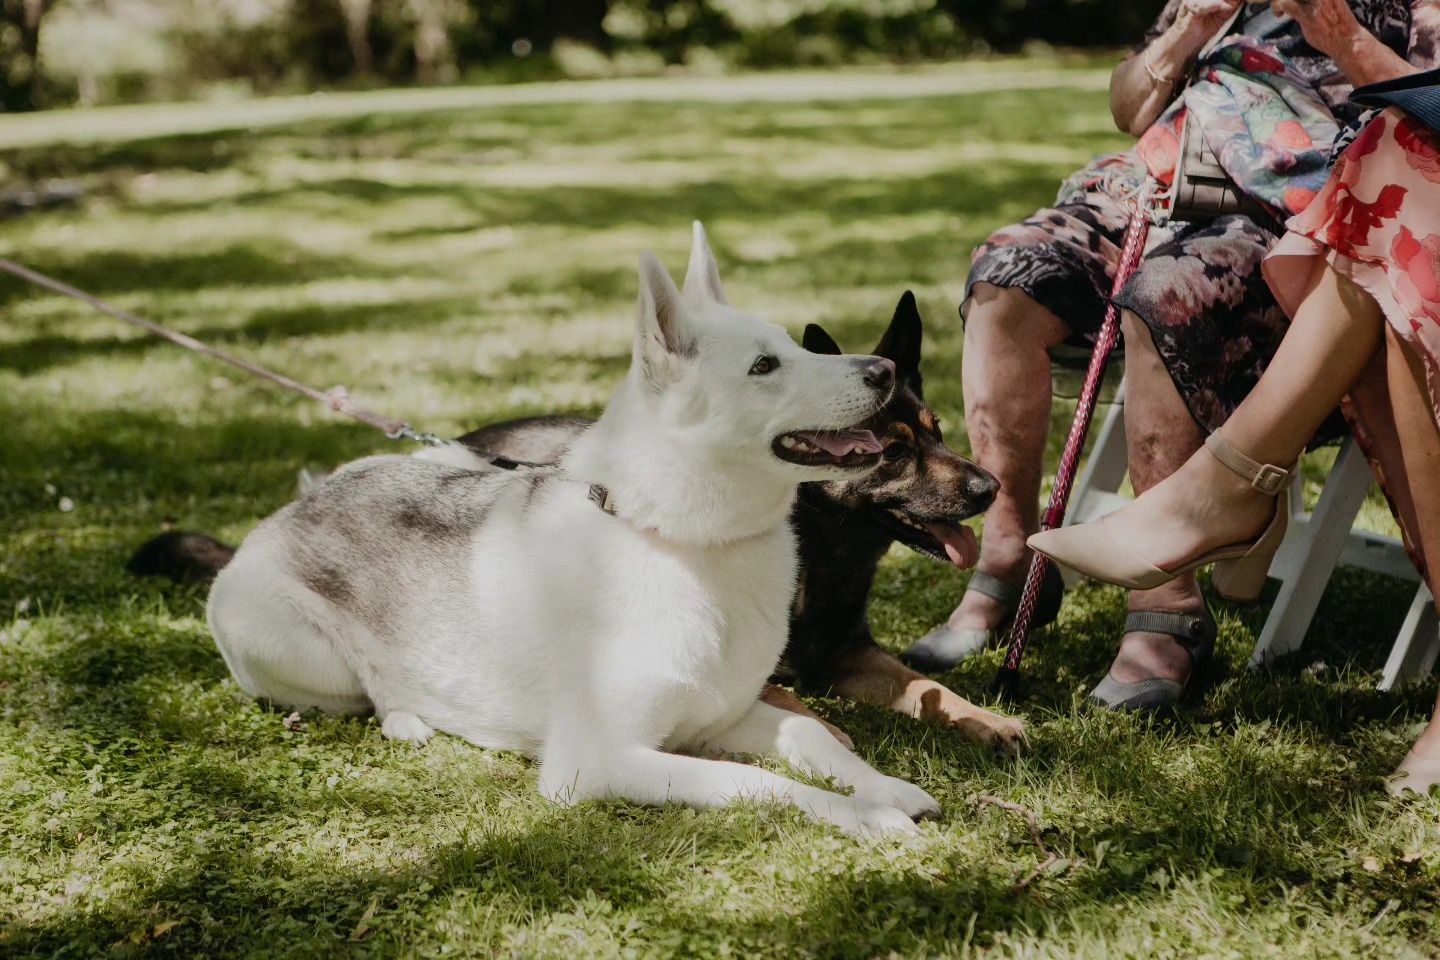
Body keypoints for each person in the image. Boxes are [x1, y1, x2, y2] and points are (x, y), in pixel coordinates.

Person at [905, 0, 1440, 713]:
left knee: (1162, 296)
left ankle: (1167, 611)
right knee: (1008, 273)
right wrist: (1190, 28)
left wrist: (1340, 36)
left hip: (1286, 217)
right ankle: (1007, 559)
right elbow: (1129, 105)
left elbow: (1428, 121)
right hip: (1148, 189)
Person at [1030, 88, 1440, 791]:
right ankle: (1220, 494)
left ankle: (1228, 491)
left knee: (1390, 187)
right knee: (1392, 177)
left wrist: (1332, 32)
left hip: (1297, 196)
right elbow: (1133, 103)